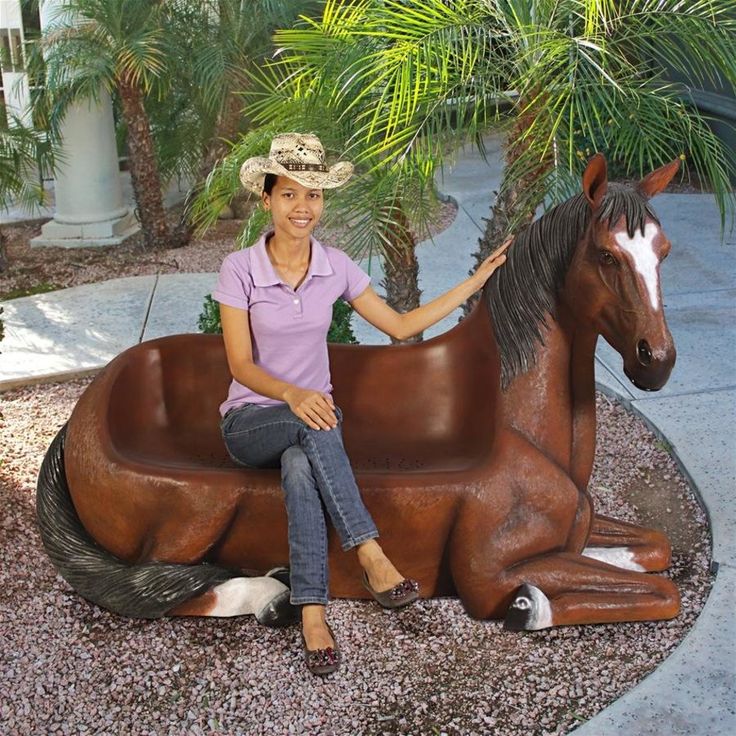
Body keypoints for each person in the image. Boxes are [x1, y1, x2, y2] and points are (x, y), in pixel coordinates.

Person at [213, 133, 509, 676]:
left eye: (315, 195)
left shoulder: (336, 266)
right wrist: (293, 394)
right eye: (290, 195)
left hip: (311, 426)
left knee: (303, 462)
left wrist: (476, 281)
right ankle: (371, 554)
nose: (303, 207)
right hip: (253, 420)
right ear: (267, 200)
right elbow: (239, 365)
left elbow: (399, 324)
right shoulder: (240, 269)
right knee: (315, 422)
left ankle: (312, 611)